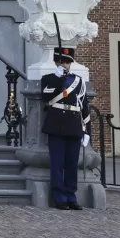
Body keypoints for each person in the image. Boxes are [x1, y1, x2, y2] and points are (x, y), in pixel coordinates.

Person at [41, 45, 90, 210]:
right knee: (57, 164)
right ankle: (59, 197)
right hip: (56, 124)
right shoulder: (49, 78)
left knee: (72, 165)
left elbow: (84, 106)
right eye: (62, 62)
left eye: (67, 62)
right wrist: (57, 79)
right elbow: (46, 96)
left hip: (74, 125)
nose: (64, 65)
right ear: (56, 62)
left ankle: (71, 196)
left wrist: (87, 131)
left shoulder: (79, 81)